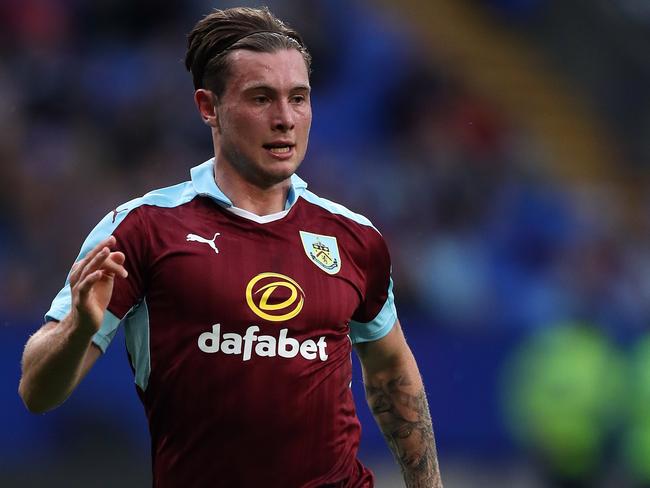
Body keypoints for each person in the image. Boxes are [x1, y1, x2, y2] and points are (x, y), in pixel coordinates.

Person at [18, 6, 442, 488]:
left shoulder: (355, 238)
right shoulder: (142, 230)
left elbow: (390, 370)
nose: (285, 119)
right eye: (261, 98)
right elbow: (36, 391)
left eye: (298, 98)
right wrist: (77, 330)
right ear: (208, 107)